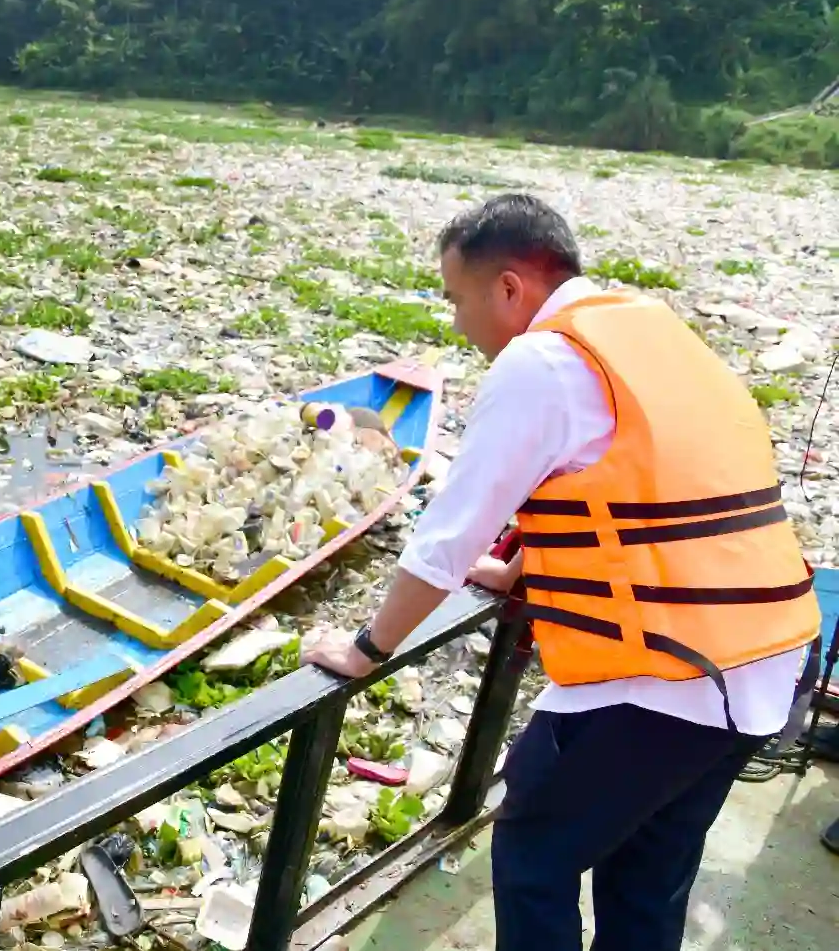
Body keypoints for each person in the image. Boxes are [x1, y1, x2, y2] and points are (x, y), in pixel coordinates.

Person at [304, 193, 821, 951]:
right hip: (768, 654)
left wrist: (366, 651)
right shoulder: (647, 331)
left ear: (509, 288)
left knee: (531, 857)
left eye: (457, 300)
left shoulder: (541, 360)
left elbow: (447, 539)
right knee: (646, 878)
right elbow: (645, 487)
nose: (456, 323)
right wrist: (521, 574)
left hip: (670, 675)